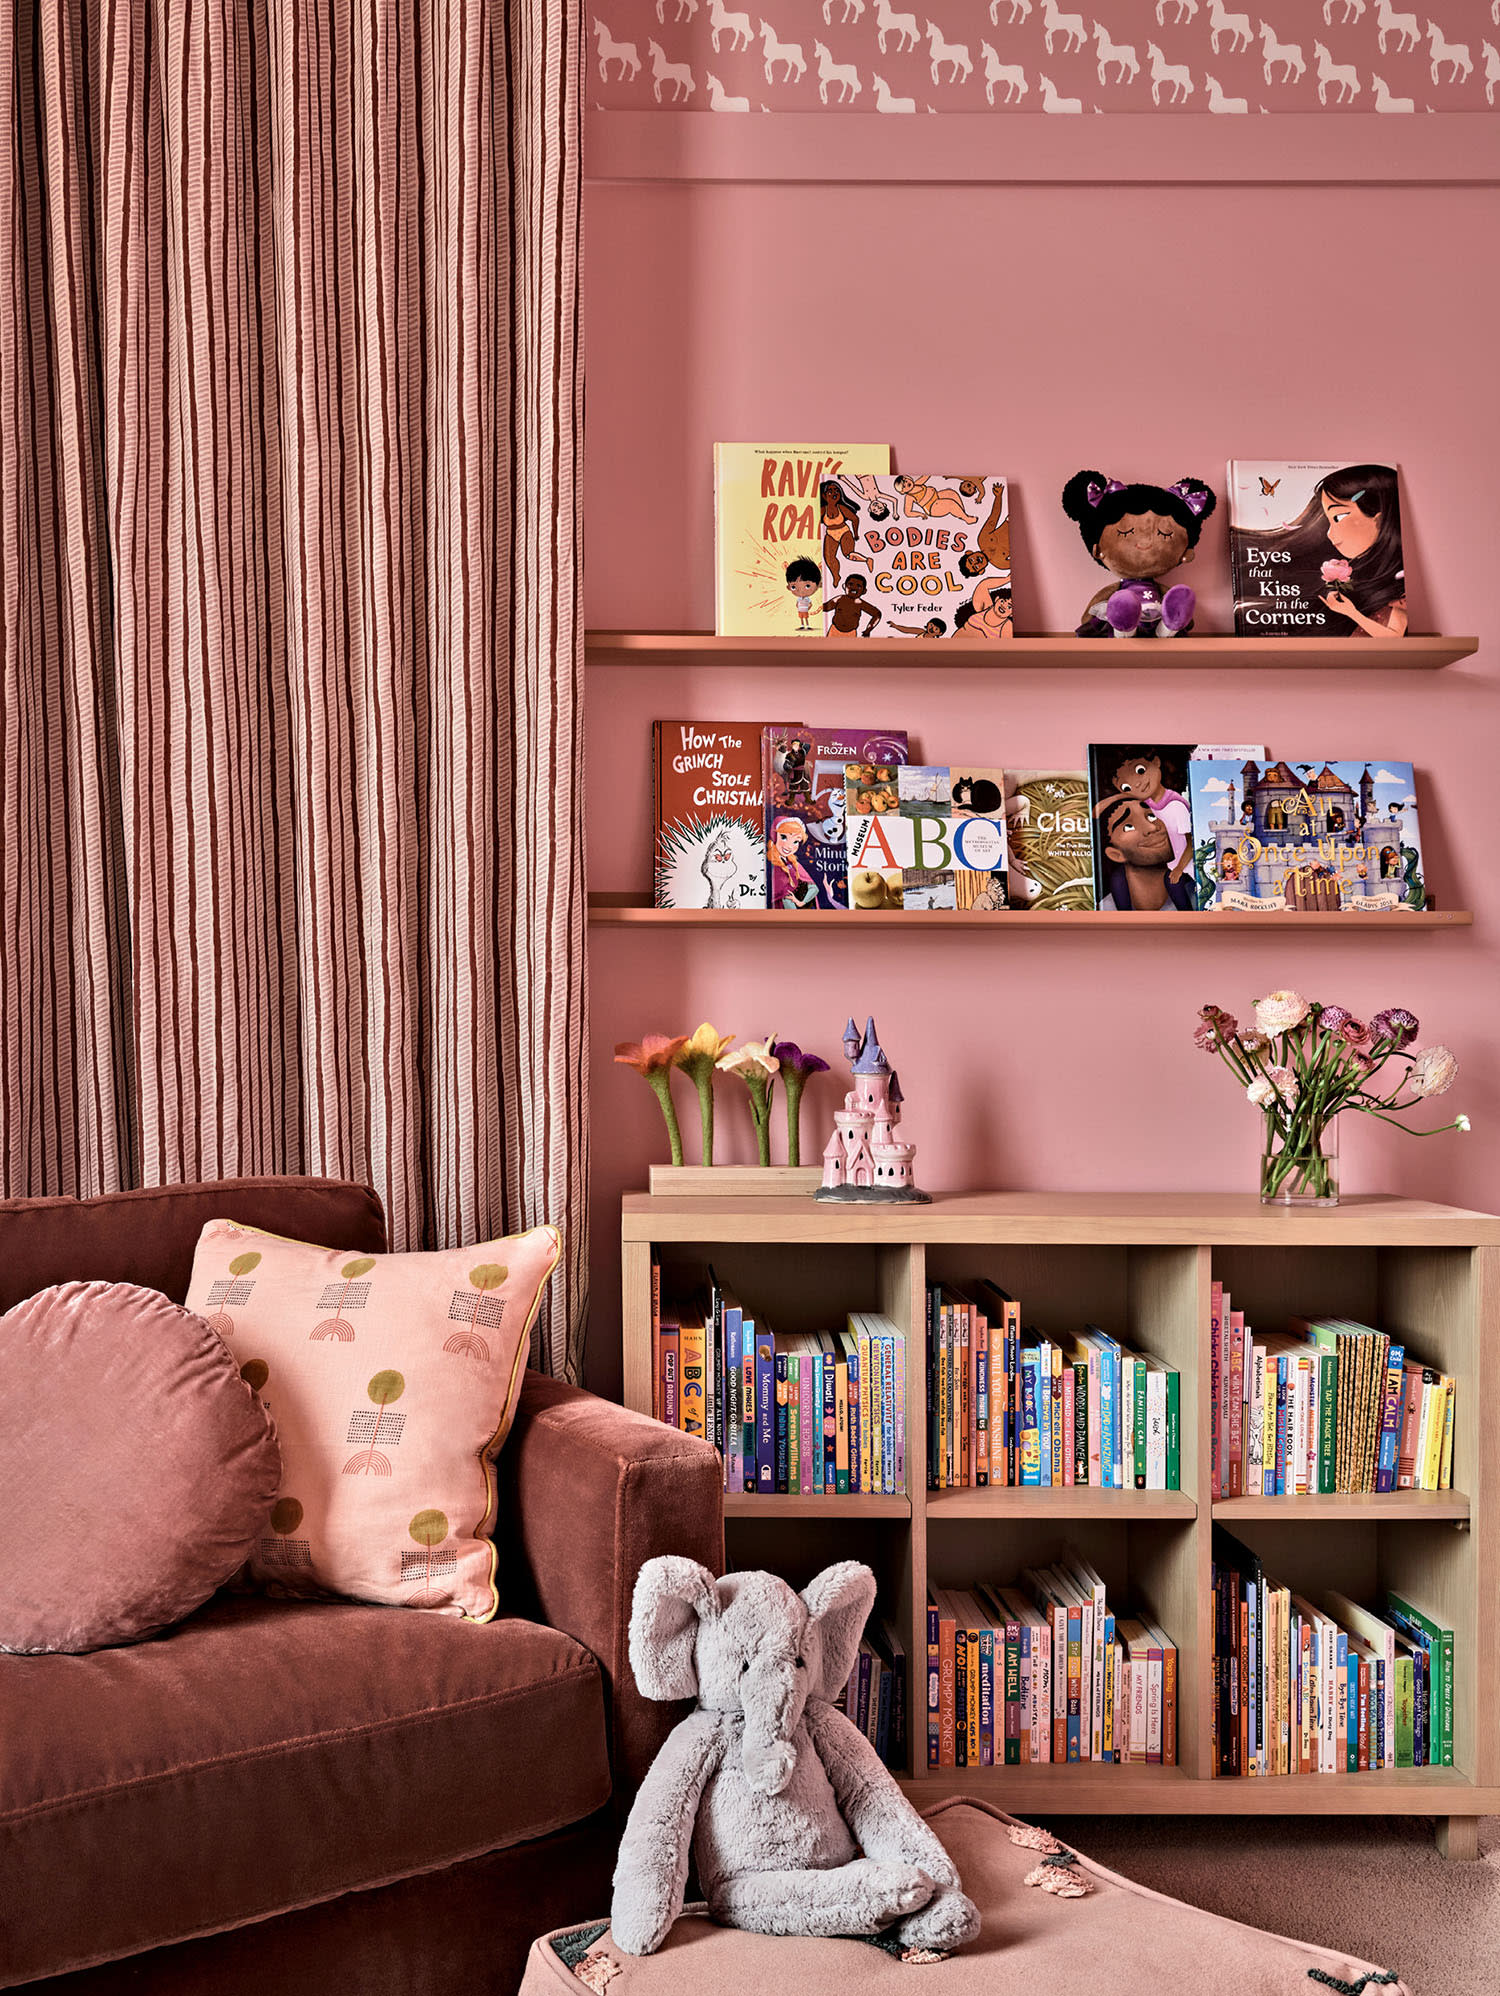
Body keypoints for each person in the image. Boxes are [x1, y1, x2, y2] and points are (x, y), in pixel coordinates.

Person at [1249, 464, 1406, 638]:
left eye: (1338, 517)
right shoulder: (1358, 581)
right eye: (1328, 521)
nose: (1330, 534)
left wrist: (1350, 612)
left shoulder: (1399, 593)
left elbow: (1394, 637)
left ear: (1380, 516)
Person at [1060, 469, 1216, 638]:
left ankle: (1168, 627)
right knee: (1120, 604)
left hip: (1156, 619)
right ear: (1097, 550)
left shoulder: (1163, 591)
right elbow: (1088, 619)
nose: (1145, 543)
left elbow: (1187, 618)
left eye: (1164, 534)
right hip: (1121, 616)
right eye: (1125, 532)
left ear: (1186, 553)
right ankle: (1124, 628)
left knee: (1175, 602)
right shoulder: (1115, 591)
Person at [1094, 794, 1194, 911]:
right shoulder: (1105, 909)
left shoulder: (1200, 895)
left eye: (1151, 816)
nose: (1152, 827)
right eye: (1128, 827)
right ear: (1116, 854)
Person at [784, 556, 820, 632]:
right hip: (801, 610)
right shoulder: (799, 598)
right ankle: (802, 625)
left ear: (818, 585)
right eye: (793, 587)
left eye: (807, 586)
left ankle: (807, 625)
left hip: (805, 610)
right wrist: (798, 606)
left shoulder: (807, 598)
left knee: (806, 617)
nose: (801, 591)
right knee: (801, 617)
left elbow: (810, 604)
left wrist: (808, 608)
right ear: (789, 587)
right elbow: (797, 603)